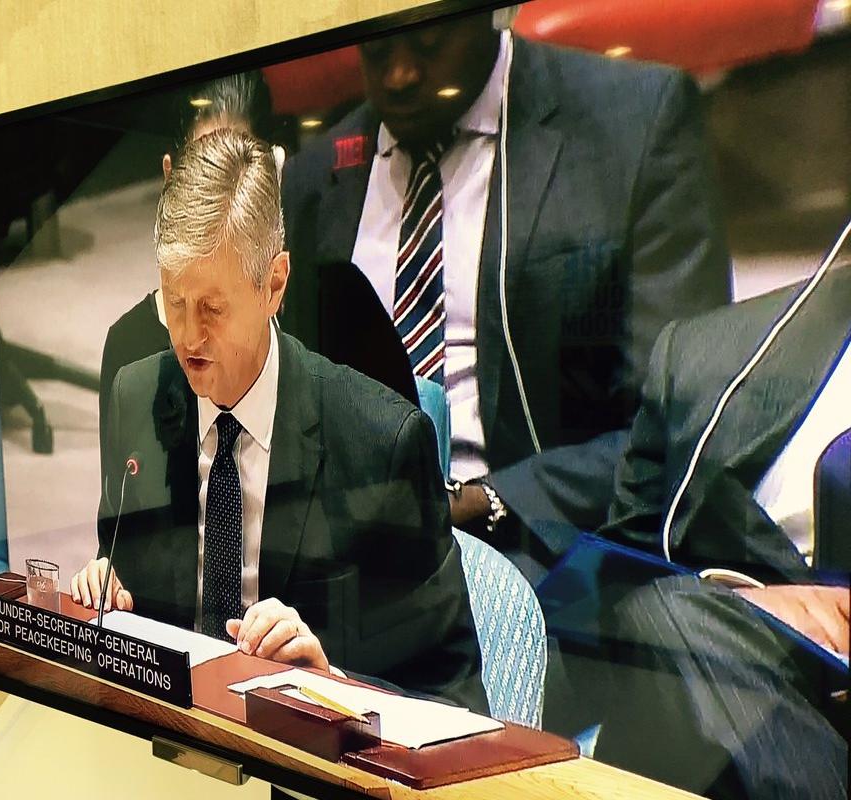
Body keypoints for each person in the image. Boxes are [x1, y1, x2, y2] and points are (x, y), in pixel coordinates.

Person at [278, 8, 732, 570]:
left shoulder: (635, 124)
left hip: (549, 547)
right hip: (356, 557)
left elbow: (686, 421)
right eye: (376, 48)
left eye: (427, 43)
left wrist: (491, 501)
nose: (399, 75)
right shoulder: (315, 179)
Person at [72, 129, 487, 710]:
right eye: (174, 303)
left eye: (212, 308)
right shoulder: (136, 398)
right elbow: (130, 595)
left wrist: (332, 683)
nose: (188, 336)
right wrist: (105, 593)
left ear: (274, 285)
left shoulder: (381, 443)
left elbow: (455, 699)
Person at [590, 255, 851, 799]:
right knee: (664, 616)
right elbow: (616, 589)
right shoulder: (705, 359)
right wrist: (738, 604)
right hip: (725, 692)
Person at [98, 71, 279, 441]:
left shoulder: (314, 310)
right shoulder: (129, 350)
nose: (218, 195)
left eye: (238, 176)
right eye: (202, 175)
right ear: (170, 178)